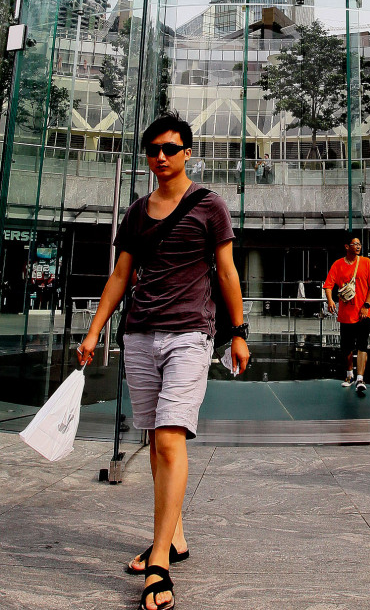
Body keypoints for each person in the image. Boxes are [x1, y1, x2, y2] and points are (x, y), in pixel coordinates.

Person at [77, 112, 250, 610]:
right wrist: (94, 332)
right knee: (154, 442)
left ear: (188, 152)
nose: (160, 157)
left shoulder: (210, 207)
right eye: (153, 149)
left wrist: (237, 334)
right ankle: (174, 536)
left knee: (171, 437)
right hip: (140, 335)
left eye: (170, 148)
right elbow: (119, 277)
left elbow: (226, 271)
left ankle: (159, 563)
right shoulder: (136, 212)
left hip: (191, 336)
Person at [324, 234, 370, 395]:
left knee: (362, 346)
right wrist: (330, 300)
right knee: (346, 348)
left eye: (359, 244)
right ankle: (349, 375)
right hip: (346, 314)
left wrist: (366, 305)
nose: (358, 246)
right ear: (346, 246)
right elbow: (328, 285)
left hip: (363, 313)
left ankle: (360, 379)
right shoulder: (338, 264)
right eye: (354, 244)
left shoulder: (366, 262)